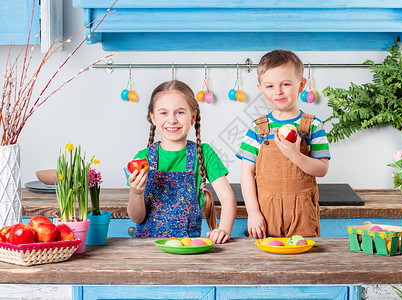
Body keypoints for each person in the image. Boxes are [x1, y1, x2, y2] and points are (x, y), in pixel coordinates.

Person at [236, 50, 330, 239]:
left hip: (303, 212)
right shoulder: (258, 127)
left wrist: (296, 155)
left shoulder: (312, 125)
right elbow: (247, 172)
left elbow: (322, 169)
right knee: (266, 261)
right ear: (261, 88)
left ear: (301, 85)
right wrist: (253, 212)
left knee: (303, 259)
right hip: (266, 212)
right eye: (269, 86)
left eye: (285, 84)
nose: (277, 91)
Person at [127, 80, 236, 244]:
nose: (172, 120)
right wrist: (136, 193)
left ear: (193, 116)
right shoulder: (142, 158)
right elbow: (137, 218)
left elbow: (228, 199)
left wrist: (224, 229)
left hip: (187, 249)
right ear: (153, 118)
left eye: (179, 112)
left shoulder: (205, 154)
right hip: (147, 250)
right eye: (163, 113)